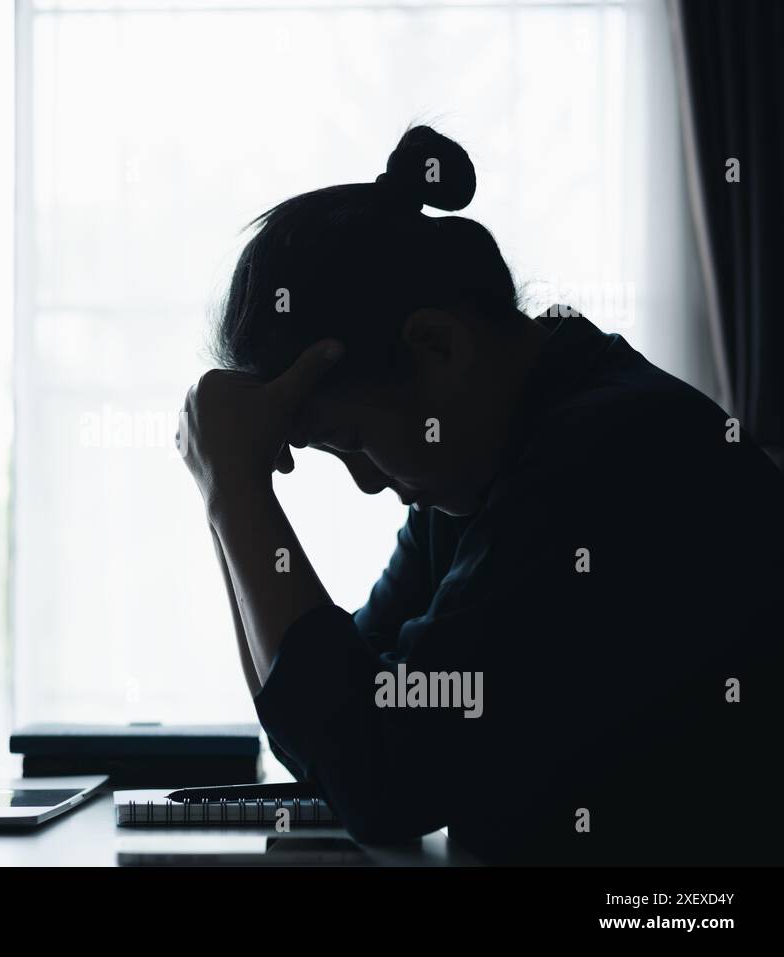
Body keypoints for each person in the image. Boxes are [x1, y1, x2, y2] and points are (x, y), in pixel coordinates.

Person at [176, 126, 783, 865]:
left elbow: (379, 776)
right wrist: (227, 492)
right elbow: (329, 728)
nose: (369, 483)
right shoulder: (481, 471)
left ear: (437, 347)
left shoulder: (600, 462)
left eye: (354, 440)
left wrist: (236, 494)